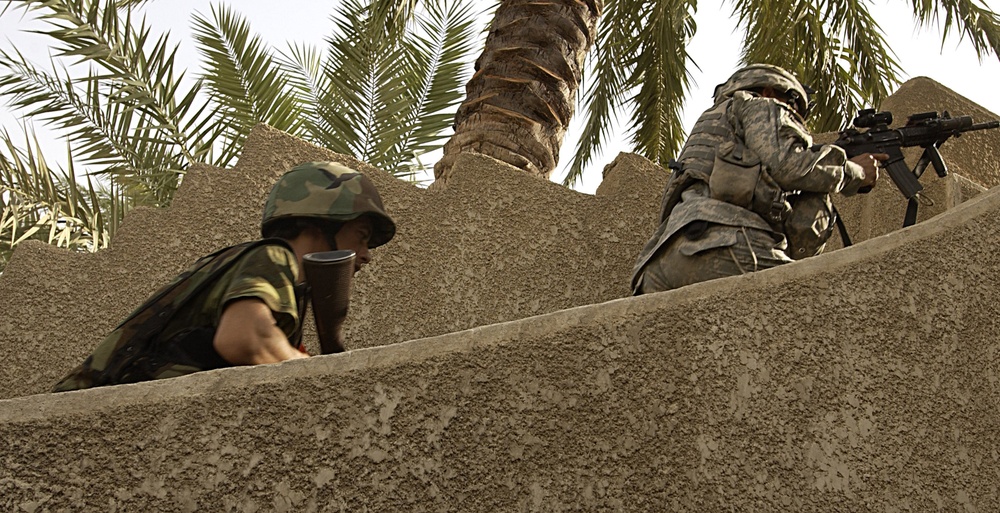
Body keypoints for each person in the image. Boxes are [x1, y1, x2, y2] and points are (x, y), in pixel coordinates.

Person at [53, 161, 396, 392]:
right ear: (320, 223)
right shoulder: (272, 257)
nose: (366, 254)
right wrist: (330, 381)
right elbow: (245, 338)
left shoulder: (281, 284)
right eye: (361, 236)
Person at [631, 64, 884, 294]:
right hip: (724, 245)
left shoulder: (713, 125)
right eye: (793, 107)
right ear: (770, 90)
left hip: (659, 263)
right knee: (816, 307)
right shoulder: (759, 104)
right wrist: (854, 172)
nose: (794, 118)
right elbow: (787, 165)